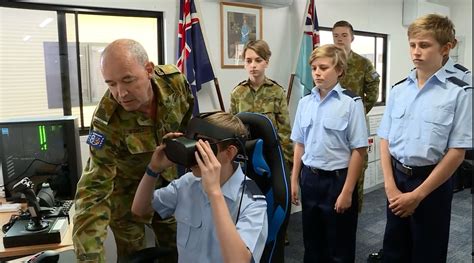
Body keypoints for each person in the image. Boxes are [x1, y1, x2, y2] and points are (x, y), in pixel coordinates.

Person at [72, 39, 194, 262]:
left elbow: (187, 120)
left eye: (128, 80)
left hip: (165, 186)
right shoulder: (107, 119)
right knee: (134, 258)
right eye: (111, 84)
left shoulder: (174, 82)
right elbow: (92, 192)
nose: (121, 93)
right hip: (125, 198)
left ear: (148, 70)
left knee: (179, 251)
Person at [377, 14, 472, 262]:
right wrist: (389, 186)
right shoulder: (399, 89)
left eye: (424, 45)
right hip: (397, 180)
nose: (416, 52)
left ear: (446, 47)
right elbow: (385, 139)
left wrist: (417, 196)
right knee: (394, 251)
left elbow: (457, 152)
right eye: (412, 45)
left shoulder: (460, 90)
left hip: (432, 183)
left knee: (427, 253)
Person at [131, 111, 268, 263]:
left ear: (229, 153)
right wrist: (154, 169)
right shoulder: (187, 184)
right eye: (192, 144)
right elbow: (140, 209)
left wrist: (214, 192)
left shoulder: (252, 203)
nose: (194, 155)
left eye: (204, 147)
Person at [290, 44, 368, 262]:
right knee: (312, 243)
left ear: (339, 70)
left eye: (323, 67)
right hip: (310, 179)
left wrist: (347, 192)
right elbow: (299, 143)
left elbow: (359, 150)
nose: (317, 73)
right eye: (314, 68)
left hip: (337, 181)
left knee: (339, 245)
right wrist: (294, 178)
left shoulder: (351, 103)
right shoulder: (305, 103)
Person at [332, 20, 380, 212]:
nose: (340, 39)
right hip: (331, 124)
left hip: (355, 125)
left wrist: (358, 113)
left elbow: (373, 90)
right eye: (336, 35)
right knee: (334, 166)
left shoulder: (362, 63)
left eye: (344, 35)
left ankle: (354, 211)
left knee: (357, 167)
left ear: (352, 37)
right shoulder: (329, 61)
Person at [230, 40, 293, 172]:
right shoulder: (237, 93)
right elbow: (231, 129)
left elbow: (284, 132)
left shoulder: (277, 92)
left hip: (270, 154)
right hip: (245, 155)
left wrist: (288, 167)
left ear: (266, 62)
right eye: (248, 61)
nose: (253, 65)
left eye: (258, 60)